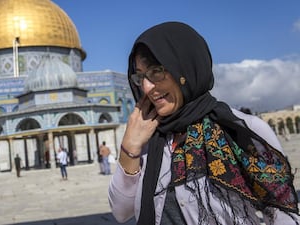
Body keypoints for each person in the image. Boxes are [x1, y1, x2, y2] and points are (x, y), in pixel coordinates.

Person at [108, 21, 299, 225]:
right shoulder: (150, 139)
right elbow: (121, 212)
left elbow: (283, 216)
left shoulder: (240, 130)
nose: (146, 87)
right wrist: (130, 148)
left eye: (156, 72)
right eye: (140, 76)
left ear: (185, 68)